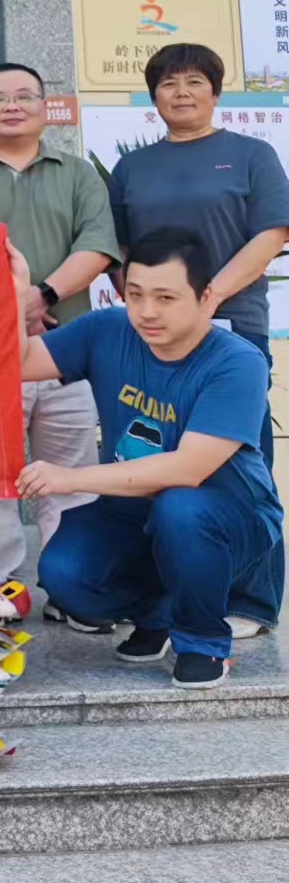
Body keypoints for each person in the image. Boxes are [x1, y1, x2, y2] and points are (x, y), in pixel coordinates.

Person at [19, 229, 282, 690]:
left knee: (180, 507)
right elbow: (19, 362)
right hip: (132, 510)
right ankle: (159, 613)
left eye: (165, 297)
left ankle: (202, 641)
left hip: (226, 516)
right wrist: (16, 293)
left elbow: (188, 469)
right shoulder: (107, 330)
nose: (146, 312)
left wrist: (70, 478)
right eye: (136, 294)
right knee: (65, 573)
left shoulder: (237, 362)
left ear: (205, 298)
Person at [0, 62, 119, 622]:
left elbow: (97, 245)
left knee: (71, 479)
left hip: (68, 355)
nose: (12, 106)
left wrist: (43, 294)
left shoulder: (78, 174)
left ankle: (72, 590)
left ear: (43, 106)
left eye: (24, 96)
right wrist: (11, 306)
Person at [107, 41, 289, 637]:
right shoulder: (133, 167)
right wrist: (147, 307)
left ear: (215, 91)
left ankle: (253, 601)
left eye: (194, 82)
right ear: (153, 96)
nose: (181, 93)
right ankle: (166, 597)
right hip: (155, 336)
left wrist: (207, 298)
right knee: (157, 458)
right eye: (168, 83)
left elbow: (272, 234)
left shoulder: (251, 155)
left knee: (244, 464)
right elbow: (122, 250)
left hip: (233, 326)